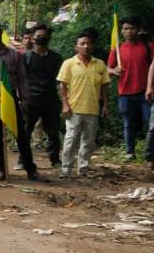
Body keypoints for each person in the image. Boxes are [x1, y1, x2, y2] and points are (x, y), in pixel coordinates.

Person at [0, 19, 39, 182]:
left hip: (11, 99)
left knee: (21, 135)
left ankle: (31, 169)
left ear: (1, 32)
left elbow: (22, 78)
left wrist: (25, 100)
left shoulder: (14, 54)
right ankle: (1, 169)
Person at [57, 32, 110, 177]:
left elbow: (105, 87)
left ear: (93, 46)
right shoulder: (69, 63)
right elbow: (62, 85)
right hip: (74, 109)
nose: (85, 46)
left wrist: (105, 105)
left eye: (88, 43)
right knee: (70, 140)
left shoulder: (100, 64)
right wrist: (65, 104)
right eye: (82, 43)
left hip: (93, 109)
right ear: (76, 47)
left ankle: (83, 169)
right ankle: (66, 169)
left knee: (88, 141)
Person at [108, 16, 153, 160]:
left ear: (138, 29)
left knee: (150, 123)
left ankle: (150, 153)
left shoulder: (148, 46)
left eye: (131, 28)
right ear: (121, 31)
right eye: (125, 29)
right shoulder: (118, 49)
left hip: (146, 92)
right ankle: (130, 152)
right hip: (125, 92)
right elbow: (108, 67)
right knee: (128, 124)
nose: (128, 31)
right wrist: (114, 71)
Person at [23, 23, 64, 168]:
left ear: (49, 37)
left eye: (45, 36)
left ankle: (55, 159)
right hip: (31, 101)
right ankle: (23, 160)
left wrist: (64, 101)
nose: (42, 38)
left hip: (50, 100)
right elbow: (21, 79)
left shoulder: (56, 58)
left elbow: (61, 81)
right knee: (25, 133)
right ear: (33, 38)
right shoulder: (25, 57)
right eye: (39, 36)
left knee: (53, 133)